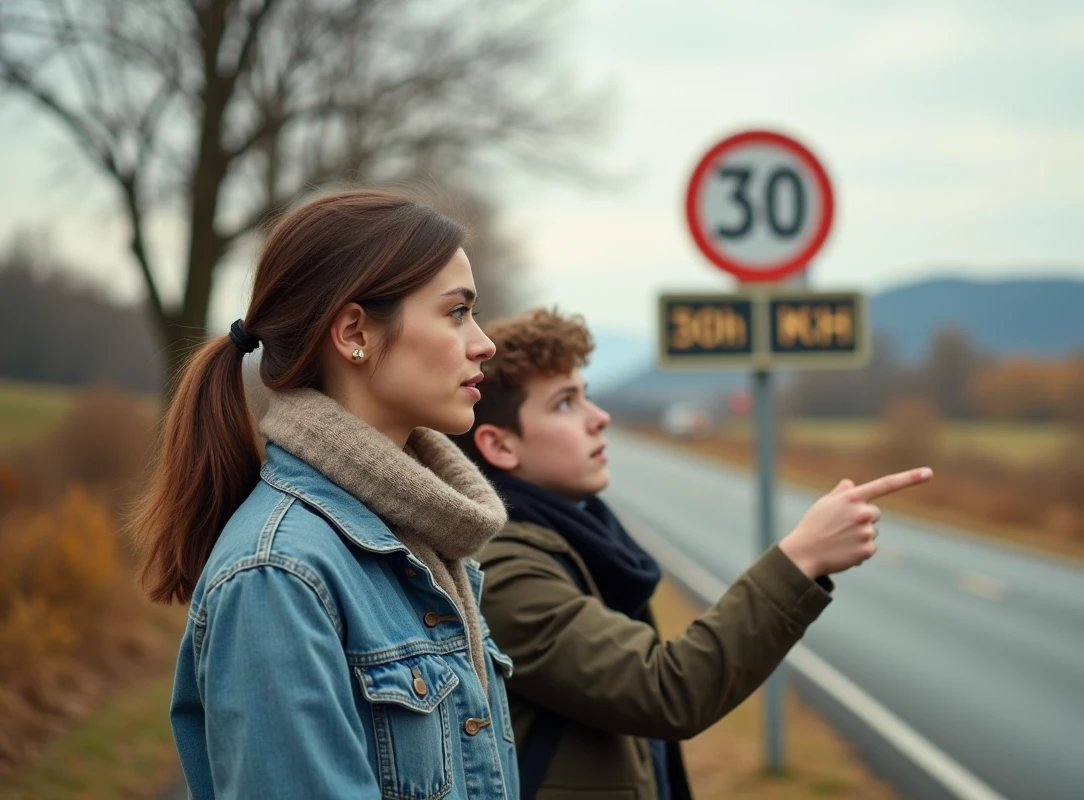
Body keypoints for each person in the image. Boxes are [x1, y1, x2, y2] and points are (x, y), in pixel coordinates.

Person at [451, 308, 933, 800]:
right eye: (565, 404)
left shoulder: (574, 535)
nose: (600, 418)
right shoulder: (500, 567)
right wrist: (800, 560)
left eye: (587, 396)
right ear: (501, 446)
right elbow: (666, 689)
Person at [135, 189, 520, 799]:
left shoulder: (420, 541)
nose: (483, 343)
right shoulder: (279, 575)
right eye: (455, 312)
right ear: (354, 332)